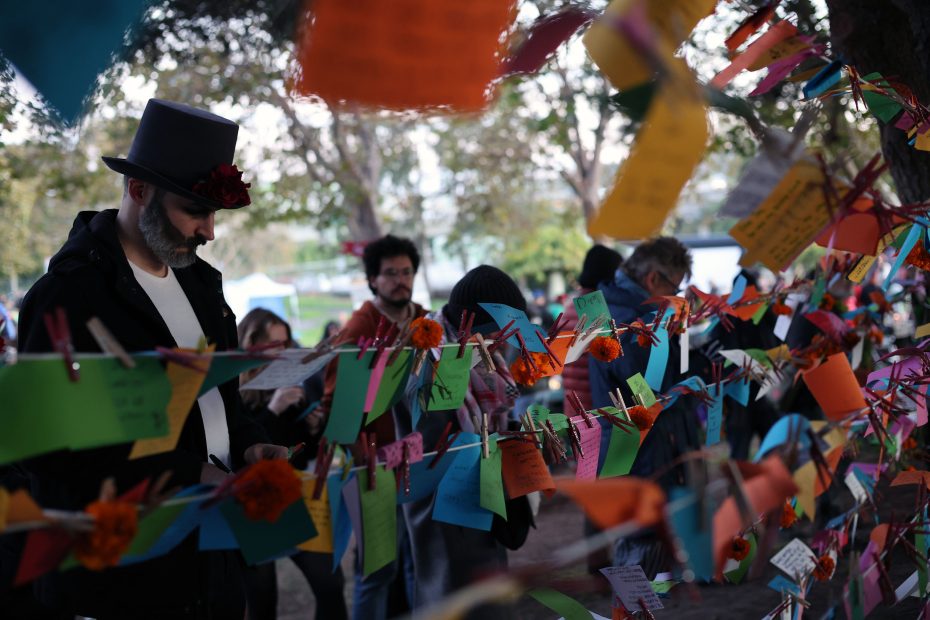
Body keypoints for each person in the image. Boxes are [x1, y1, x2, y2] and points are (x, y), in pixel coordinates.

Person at [16, 98, 286, 618]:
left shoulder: (202, 286)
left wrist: (251, 446)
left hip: (211, 560)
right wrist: (194, 474)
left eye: (212, 213)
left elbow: (219, 404)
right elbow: (48, 449)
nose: (209, 231)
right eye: (196, 211)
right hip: (122, 578)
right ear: (139, 190)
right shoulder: (69, 294)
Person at [396, 265, 528, 619]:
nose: (504, 343)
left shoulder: (478, 353)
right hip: (443, 502)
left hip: (481, 491)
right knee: (454, 595)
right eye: (499, 332)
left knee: (486, 590)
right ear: (474, 326)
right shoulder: (429, 359)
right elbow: (432, 443)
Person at [313, 234, 426, 620]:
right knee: (377, 569)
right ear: (373, 280)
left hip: (420, 458)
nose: (400, 280)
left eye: (407, 271)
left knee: (417, 561)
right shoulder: (361, 325)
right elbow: (334, 398)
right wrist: (357, 450)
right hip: (371, 463)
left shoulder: (426, 321)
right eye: (390, 273)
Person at [588, 237, 699, 579]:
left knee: (652, 555)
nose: (678, 296)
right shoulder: (624, 317)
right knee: (641, 553)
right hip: (640, 450)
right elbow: (648, 389)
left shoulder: (616, 307)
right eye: (675, 288)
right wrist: (688, 367)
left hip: (650, 447)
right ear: (653, 280)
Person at [237, 308, 348, 620]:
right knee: (261, 599)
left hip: (294, 492)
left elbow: (300, 451)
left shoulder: (292, 380)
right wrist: (273, 409)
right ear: (250, 346)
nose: (282, 352)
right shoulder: (233, 389)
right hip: (253, 500)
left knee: (330, 583)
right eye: (274, 344)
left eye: (286, 343)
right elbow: (242, 448)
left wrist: (313, 427)